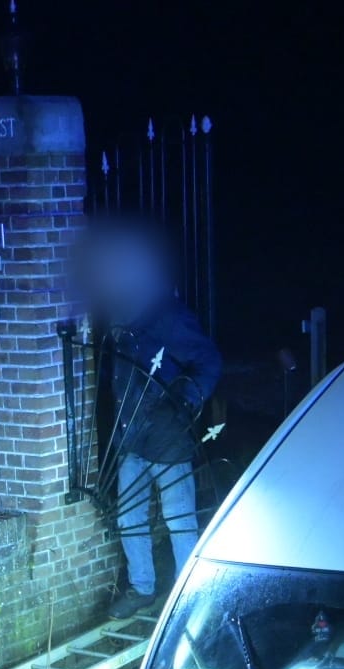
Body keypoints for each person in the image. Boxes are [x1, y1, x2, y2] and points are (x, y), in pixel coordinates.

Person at [80, 220, 223, 619]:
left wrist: (186, 398)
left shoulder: (169, 316)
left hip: (166, 437)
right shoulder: (119, 315)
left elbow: (209, 361)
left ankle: (184, 596)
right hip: (131, 438)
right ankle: (142, 587)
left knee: (179, 519)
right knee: (129, 515)